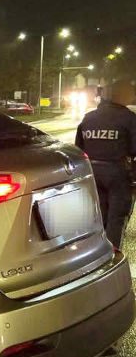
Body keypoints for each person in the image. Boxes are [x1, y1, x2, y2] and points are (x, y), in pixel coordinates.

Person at [75, 80, 136, 247]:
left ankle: (96, 254)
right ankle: (112, 257)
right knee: (116, 218)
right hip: (118, 174)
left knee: (98, 217)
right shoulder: (129, 118)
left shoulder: (88, 118)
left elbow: (78, 148)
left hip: (92, 173)